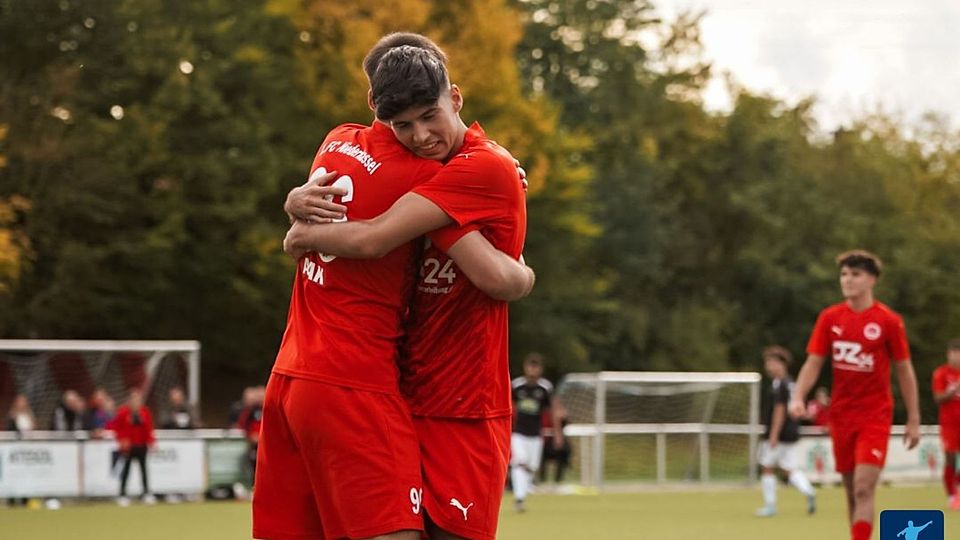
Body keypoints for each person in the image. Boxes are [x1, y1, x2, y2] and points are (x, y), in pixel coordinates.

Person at [254, 34, 532, 540]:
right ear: (378, 113)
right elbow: (494, 276)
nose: (421, 135)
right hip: (365, 383)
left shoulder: (337, 139)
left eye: (430, 117)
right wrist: (523, 270)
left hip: (432, 397)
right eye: (403, 124)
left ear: (456, 98)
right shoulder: (429, 174)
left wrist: (297, 217)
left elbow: (497, 273)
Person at [788, 250, 921, 540]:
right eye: (844, 274)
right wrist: (798, 396)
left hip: (875, 415)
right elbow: (813, 362)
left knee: (863, 486)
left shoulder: (888, 321)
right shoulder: (830, 318)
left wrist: (913, 418)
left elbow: (904, 370)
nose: (847, 280)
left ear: (871, 280)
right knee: (851, 491)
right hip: (841, 415)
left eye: (856, 274)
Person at [754, 345, 816, 517]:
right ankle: (808, 490)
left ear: (781, 364)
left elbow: (780, 410)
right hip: (791, 432)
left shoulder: (780, 384)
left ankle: (770, 505)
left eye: (771, 362)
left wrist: (773, 434)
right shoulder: (791, 383)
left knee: (767, 467)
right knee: (788, 469)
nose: (768, 366)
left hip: (779, 433)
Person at [510, 353, 562, 512]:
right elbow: (507, 406)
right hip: (518, 433)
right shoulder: (516, 386)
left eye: (535, 367)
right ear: (525, 368)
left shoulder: (545, 388)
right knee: (520, 463)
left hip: (535, 435)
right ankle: (519, 499)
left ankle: (522, 493)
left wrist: (557, 433)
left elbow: (552, 411)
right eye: (530, 366)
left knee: (531, 467)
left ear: (540, 369)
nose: (532, 370)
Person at [112, 388, 157, 506]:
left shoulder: (145, 412)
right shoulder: (123, 412)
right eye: (134, 399)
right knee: (126, 470)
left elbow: (149, 429)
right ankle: (122, 494)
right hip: (129, 447)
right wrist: (122, 441)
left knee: (144, 470)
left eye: (138, 399)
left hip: (141, 445)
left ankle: (146, 493)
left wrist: (151, 442)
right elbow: (117, 429)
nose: (136, 402)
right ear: (129, 400)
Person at [932, 339, 960, 510]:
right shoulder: (941, 373)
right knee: (950, 458)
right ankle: (951, 495)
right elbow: (938, 398)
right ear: (948, 355)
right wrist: (952, 390)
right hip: (949, 424)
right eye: (954, 353)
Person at [539, 400, 572, 485]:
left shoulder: (560, 415)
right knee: (539, 458)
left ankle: (558, 480)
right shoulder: (543, 413)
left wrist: (563, 417)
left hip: (554, 444)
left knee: (565, 451)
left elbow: (564, 424)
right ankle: (542, 480)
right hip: (543, 443)